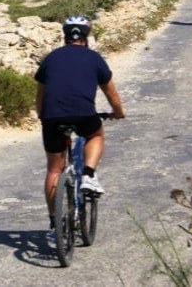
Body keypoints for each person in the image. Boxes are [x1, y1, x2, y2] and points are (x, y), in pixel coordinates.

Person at [35, 15, 126, 233]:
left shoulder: (50, 58)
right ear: (86, 37)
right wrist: (118, 113)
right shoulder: (94, 58)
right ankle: (88, 174)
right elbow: (111, 94)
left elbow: (40, 96)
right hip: (83, 114)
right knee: (95, 135)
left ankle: (55, 225)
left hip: (52, 117)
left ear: (65, 36)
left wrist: (43, 117)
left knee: (54, 170)